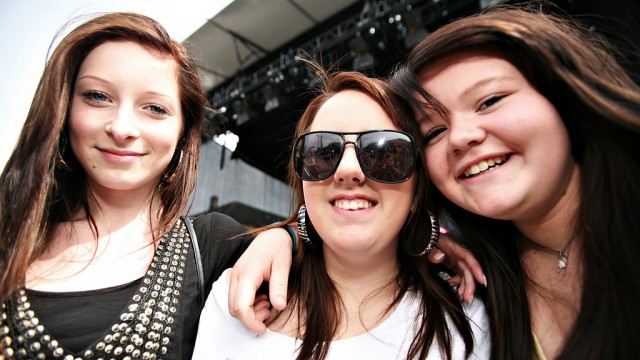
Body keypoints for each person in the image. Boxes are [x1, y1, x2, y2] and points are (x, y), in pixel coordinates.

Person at [0, 12, 294, 359]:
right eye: (97, 96)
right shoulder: (12, 235)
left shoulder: (214, 246)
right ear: (63, 109)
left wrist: (287, 236)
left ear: (184, 134)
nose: (122, 127)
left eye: (154, 108)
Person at [389, 3, 640, 359]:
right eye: (433, 132)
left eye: (490, 101)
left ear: (562, 95)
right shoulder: (475, 283)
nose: (461, 137)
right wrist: (289, 236)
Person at [193, 68, 490, 359]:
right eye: (323, 153)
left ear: (416, 191)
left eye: (384, 153)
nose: (348, 170)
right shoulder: (235, 297)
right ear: (304, 185)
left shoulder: (468, 323)